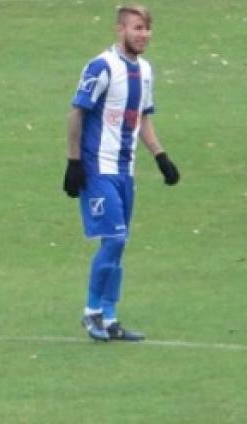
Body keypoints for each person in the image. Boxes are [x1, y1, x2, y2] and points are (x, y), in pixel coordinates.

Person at [63, 3, 180, 342]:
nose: (143, 35)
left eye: (147, 28)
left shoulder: (145, 71)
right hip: (97, 168)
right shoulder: (102, 67)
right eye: (136, 28)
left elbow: (142, 118)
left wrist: (161, 157)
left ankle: (111, 317)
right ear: (121, 30)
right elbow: (76, 113)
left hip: (125, 171)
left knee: (119, 243)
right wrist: (73, 162)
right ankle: (92, 312)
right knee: (113, 239)